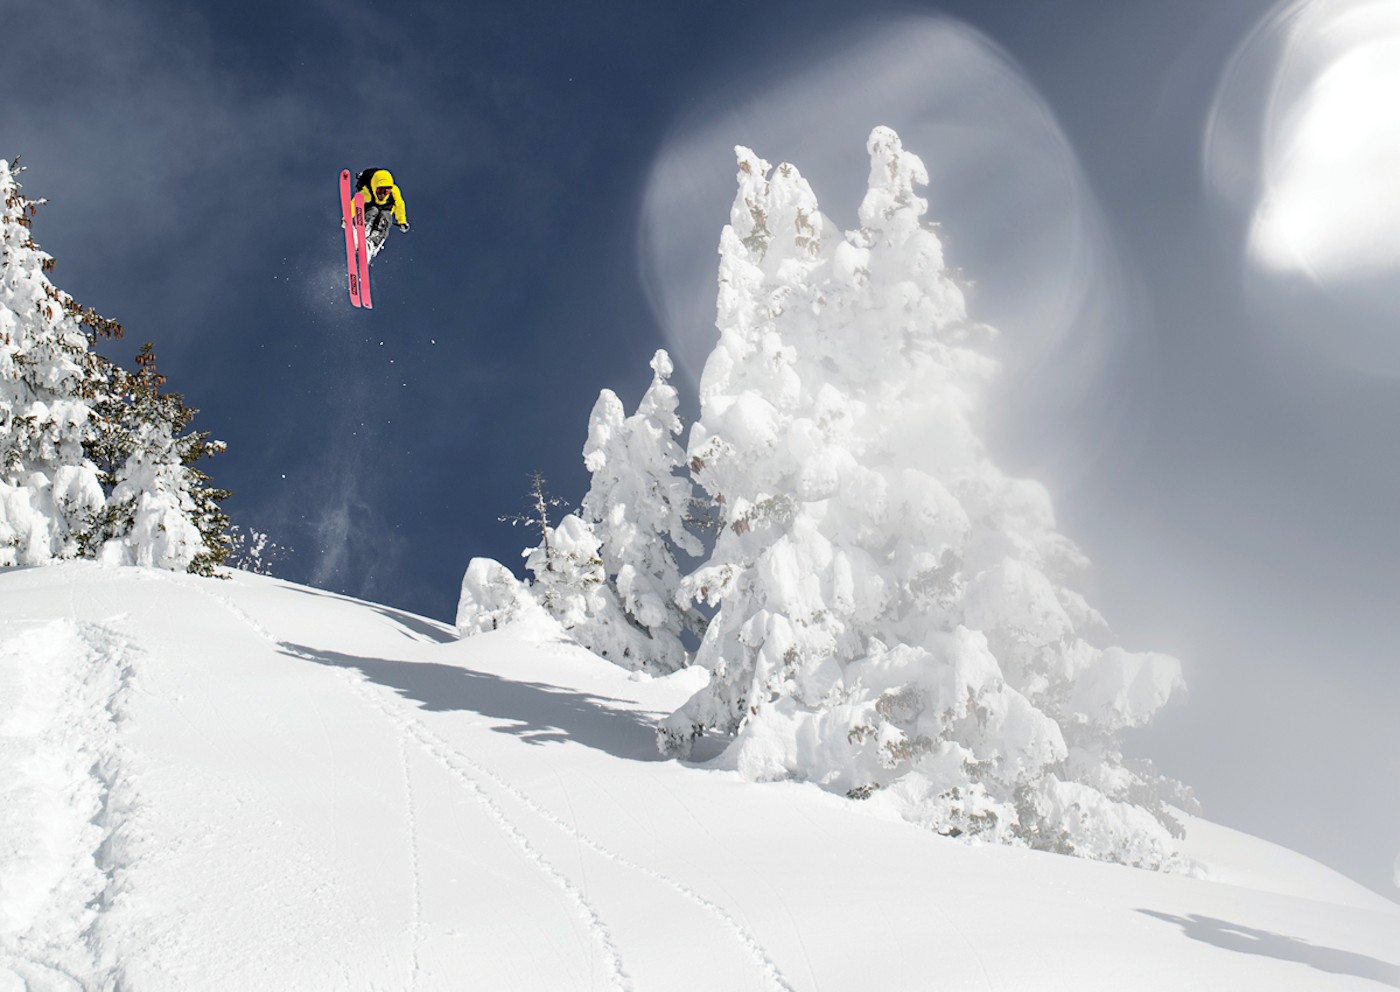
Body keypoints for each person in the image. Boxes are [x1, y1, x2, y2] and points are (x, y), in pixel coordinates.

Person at [353, 168, 409, 258]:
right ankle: (363, 232)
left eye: (386, 192)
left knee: (386, 215)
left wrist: (402, 221)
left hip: (383, 218)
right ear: (375, 188)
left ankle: (372, 244)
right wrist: (346, 218)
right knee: (373, 210)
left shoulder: (394, 193)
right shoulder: (368, 193)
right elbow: (354, 203)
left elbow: (399, 205)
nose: (383, 195)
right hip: (368, 215)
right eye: (380, 191)